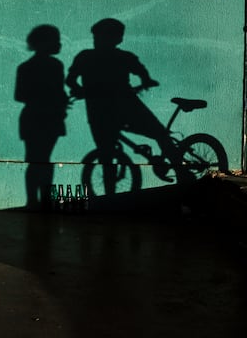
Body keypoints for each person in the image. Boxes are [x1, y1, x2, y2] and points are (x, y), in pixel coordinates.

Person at [65, 18, 191, 192]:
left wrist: (81, 91)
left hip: (100, 112)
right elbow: (142, 73)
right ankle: (184, 175)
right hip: (127, 107)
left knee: (106, 154)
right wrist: (146, 81)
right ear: (119, 39)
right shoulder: (123, 57)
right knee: (159, 134)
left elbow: (70, 80)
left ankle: (110, 195)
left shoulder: (85, 57)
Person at [15, 25, 68, 210]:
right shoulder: (56, 66)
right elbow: (60, 93)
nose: (59, 43)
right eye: (55, 39)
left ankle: (33, 201)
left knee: (36, 159)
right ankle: (44, 200)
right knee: (43, 159)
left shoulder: (25, 67)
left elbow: (19, 95)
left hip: (33, 118)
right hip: (50, 118)